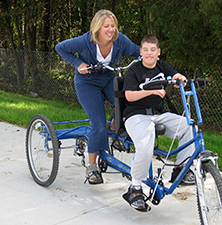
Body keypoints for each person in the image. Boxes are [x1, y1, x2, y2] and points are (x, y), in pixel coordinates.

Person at [55, 9, 140, 185]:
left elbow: (135, 51)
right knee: (98, 125)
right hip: (87, 83)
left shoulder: (119, 40)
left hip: (108, 79)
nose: (110, 30)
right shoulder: (85, 41)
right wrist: (78, 64)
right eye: (106, 26)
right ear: (97, 28)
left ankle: (115, 132)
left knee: (127, 103)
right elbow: (60, 48)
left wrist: (149, 54)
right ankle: (92, 166)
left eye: (113, 26)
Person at [122, 35, 195, 211]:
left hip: (158, 115)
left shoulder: (161, 66)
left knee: (189, 125)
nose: (149, 53)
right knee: (145, 146)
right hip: (136, 115)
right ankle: (135, 187)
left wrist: (180, 79)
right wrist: (151, 91)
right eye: (145, 49)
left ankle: (181, 168)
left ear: (158, 52)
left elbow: (175, 75)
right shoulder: (134, 70)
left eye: (152, 50)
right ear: (141, 52)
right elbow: (129, 95)